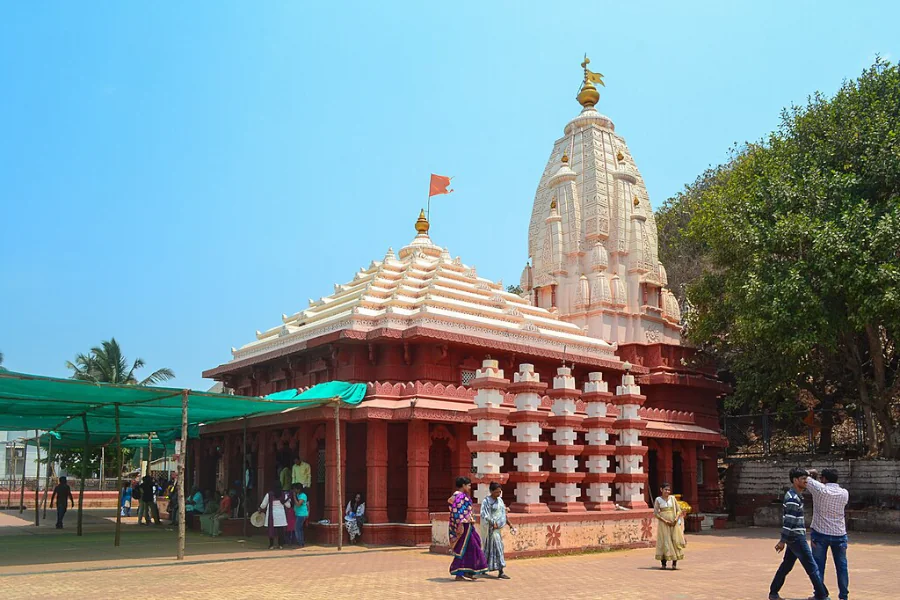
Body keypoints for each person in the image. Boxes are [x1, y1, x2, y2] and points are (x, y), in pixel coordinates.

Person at [769, 468, 831, 600]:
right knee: (812, 567)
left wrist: (810, 473)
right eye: (803, 479)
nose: (805, 481)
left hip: (794, 537)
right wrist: (782, 541)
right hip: (796, 537)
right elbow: (789, 522)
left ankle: (773, 592)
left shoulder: (796, 495)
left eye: (806, 479)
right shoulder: (792, 498)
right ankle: (822, 594)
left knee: (786, 565)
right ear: (795, 480)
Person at [807, 468, 850, 600]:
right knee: (842, 566)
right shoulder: (844, 493)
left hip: (820, 534)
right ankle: (843, 595)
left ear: (824, 479)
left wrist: (811, 472)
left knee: (818, 566)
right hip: (839, 534)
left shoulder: (820, 490)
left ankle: (820, 594)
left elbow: (801, 475)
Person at [448, 476, 488, 581]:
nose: (470, 487)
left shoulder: (461, 496)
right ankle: (459, 572)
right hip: (464, 526)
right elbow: (457, 512)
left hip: (469, 525)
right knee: (463, 548)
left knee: (474, 545)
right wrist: (460, 524)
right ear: (463, 485)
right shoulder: (459, 497)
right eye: (469, 485)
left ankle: (468, 571)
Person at [480, 482, 515, 579]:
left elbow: (503, 514)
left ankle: (485, 568)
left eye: (499, 492)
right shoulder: (486, 501)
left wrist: (510, 524)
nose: (498, 494)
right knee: (497, 548)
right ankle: (501, 570)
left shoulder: (500, 501)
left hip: (498, 529)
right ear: (491, 491)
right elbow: (484, 514)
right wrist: (491, 522)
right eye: (496, 492)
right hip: (491, 530)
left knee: (492, 549)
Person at [654, 482, 686, 569]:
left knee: (674, 541)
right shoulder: (658, 500)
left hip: (673, 523)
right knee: (665, 541)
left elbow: (679, 510)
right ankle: (663, 563)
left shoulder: (672, 498)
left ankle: (674, 563)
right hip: (664, 524)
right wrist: (664, 521)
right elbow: (656, 513)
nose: (667, 491)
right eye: (665, 490)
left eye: (668, 490)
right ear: (661, 490)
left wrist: (675, 519)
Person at [259, 482, 288, 549]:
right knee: (280, 530)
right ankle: (280, 545)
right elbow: (288, 505)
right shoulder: (284, 495)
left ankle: (271, 545)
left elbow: (263, 505)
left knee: (271, 530)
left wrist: (260, 509)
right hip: (281, 515)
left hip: (271, 515)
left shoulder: (269, 494)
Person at [292, 483, 309, 548]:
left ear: (298, 489)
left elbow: (298, 504)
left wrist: (294, 497)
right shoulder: (298, 495)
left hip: (301, 514)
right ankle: (301, 542)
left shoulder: (303, 495)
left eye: (295, 489)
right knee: (300, 529)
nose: (294, 490)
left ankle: (300, 542)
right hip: (298, 513)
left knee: (297, 528)